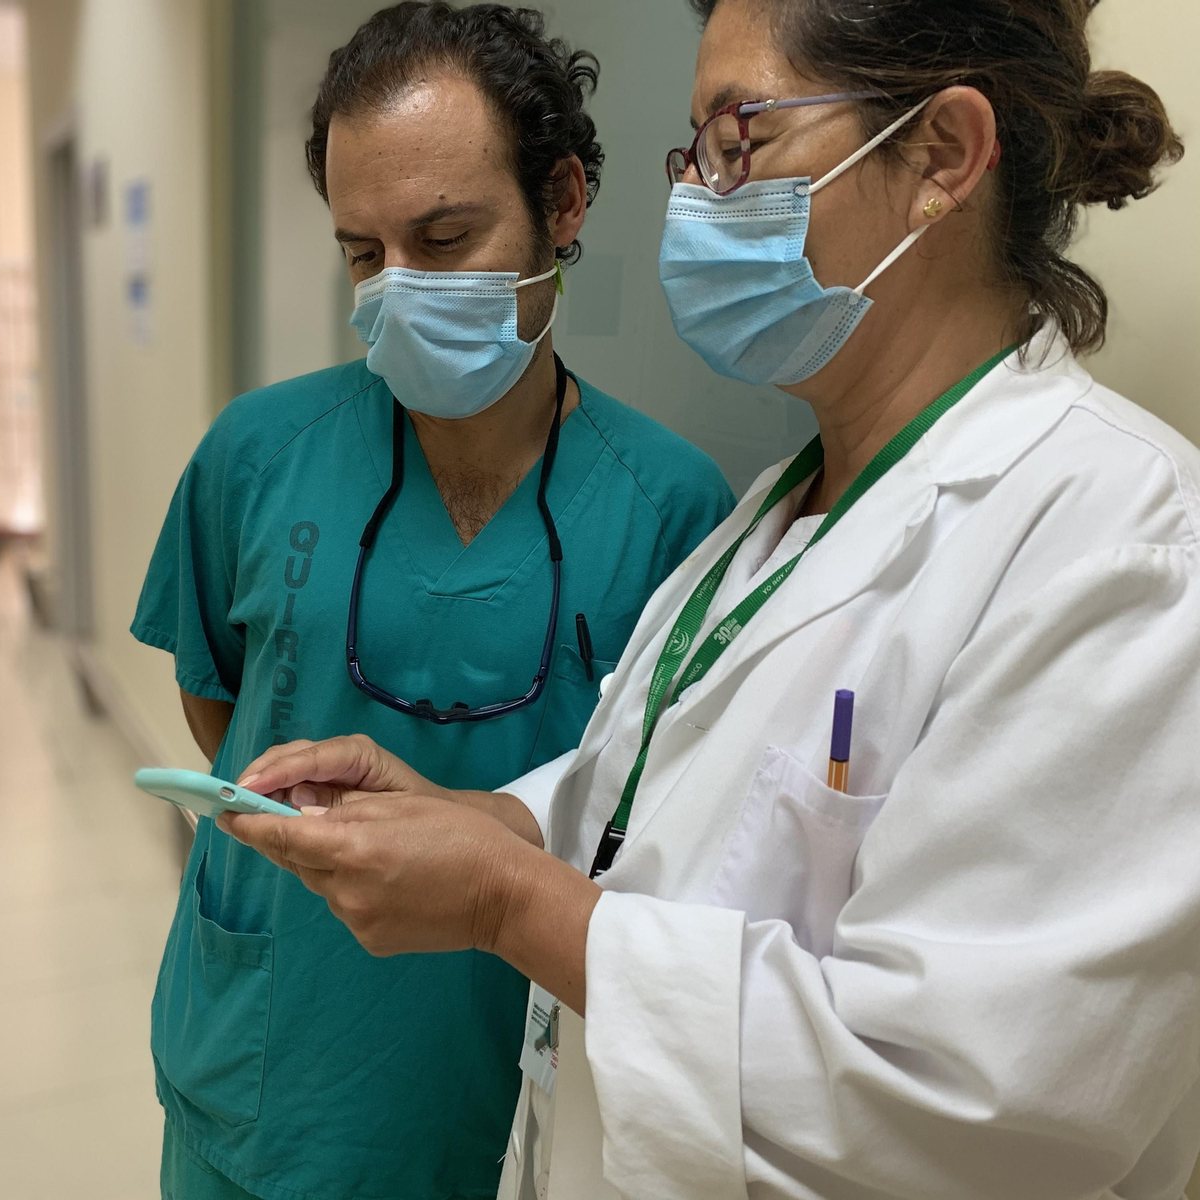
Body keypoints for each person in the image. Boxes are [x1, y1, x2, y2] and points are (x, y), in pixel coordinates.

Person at [223, 1, 1200, 1197]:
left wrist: (503, 899)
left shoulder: (1122, 549)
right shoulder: (782, 511)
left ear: (941, 156)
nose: (695, 192)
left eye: (740, 138)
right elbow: (654, 807)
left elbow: (980, 1108)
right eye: (697, 149)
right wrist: (489, 821)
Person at [132, 5, 735, 1198]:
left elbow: (661, 825)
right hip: (261, 1062)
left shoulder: (672, 505)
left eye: (445, 235)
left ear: (561, 204)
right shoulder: (257, 454)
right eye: (363, 252)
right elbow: (220, 707)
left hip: (495, 1066)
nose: (398, 290)